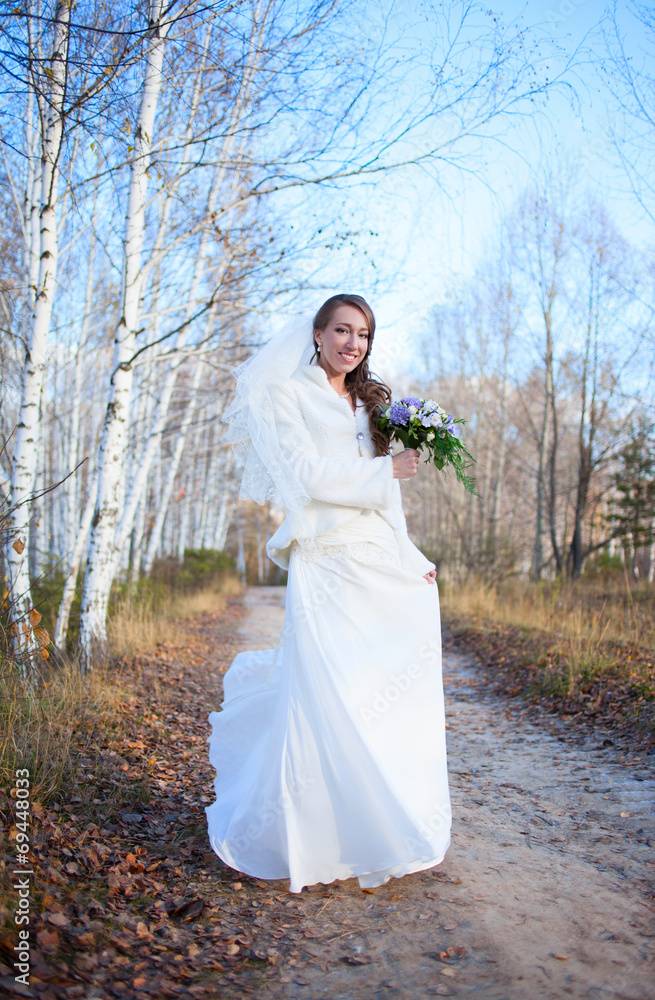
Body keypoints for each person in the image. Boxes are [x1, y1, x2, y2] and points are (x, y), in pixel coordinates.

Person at [206, 293, 451, 893]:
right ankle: (314, 831)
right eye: (341, 330)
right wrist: (383, 472)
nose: (352, 343)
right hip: (326, 558)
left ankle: (380, 820)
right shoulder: (284, 394)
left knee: (381, 688)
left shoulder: (369, 403)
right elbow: (303, 474)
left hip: (374, 552)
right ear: (316, 334)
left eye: (363, 335)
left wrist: (411, 556)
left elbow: (387, 498)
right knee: (328, 690)